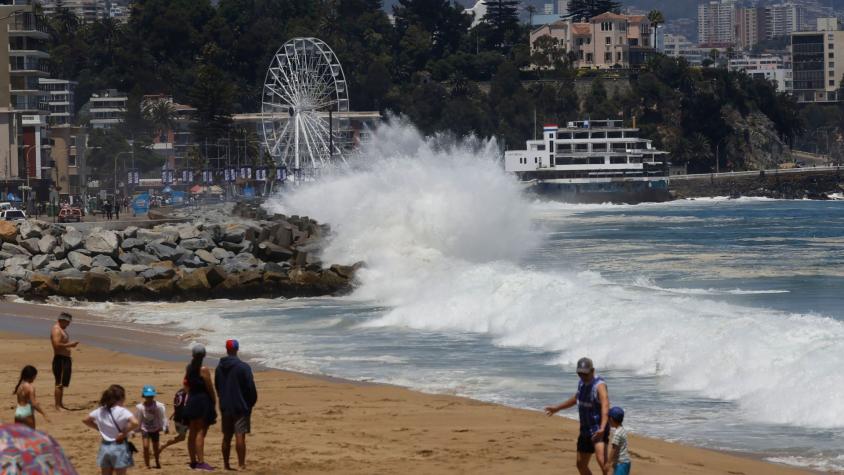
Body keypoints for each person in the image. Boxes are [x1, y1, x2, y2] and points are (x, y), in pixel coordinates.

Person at [545, 357, 611, 475]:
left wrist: (602, 427)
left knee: (602, 462)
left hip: (598, 430)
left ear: (592, 371)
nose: (582, 376)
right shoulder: (581, 383)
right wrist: (557, 408)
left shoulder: (599, 385)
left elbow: (605, 404)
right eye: (579, 374)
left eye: (585, 374)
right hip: (585, 429)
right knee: (581, 464)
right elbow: (576, 398)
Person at [215, 339, 258, 470]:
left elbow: (217, 386)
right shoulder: (243, 367)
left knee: (227, 436)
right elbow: (251, 388)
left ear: (226, 349)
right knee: (240, 435)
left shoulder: (219, 367)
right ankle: (241, 464)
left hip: (226, 405)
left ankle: (226, 464)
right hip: (240, 406)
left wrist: (222, 399)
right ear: (237, 349)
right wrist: (250, 403)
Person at [83, 384, 139, 475]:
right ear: (121, 398)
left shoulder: (100, 410)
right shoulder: (122, 411)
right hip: (119, 446)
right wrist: (124, 433)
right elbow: (135, 423)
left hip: (105, 447)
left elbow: (85, 420)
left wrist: (99, 428)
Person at [183, 344, 217, 471]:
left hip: (192, 399)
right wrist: (214, 400)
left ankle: (193, 461)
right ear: (204, 355)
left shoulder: (189, 368)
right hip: (202, 400)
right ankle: (201, 462)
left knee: (192, 431)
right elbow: (209, 387)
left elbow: (186, 385)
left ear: (192, 355)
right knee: (200, 432)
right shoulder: (204, 369)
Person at [134, 385, 167, 469]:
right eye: (147, 396)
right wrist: (135, 429)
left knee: (155, 448)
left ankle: (157, 461)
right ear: (144, 396)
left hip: (155, 429)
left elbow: (162, 417)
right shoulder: (140, 407)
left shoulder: (159, 406)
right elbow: (138, 418)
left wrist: (165, 426)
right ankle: (147, 464)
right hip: (145, 429)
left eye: (151, 396)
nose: (149, 398)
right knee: (145, 447)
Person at [51, 312, 79, 410]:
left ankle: (60, 404)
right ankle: (58, 406)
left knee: (62, 383)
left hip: (64, 359)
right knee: (59, 383)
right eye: (68, 322)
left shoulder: (61, 330)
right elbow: (56, 345)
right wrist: (70, 345)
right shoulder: (56, 330)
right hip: (60, 359)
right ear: (63, 320)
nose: (69, 324)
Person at [157, 383, 189, 456]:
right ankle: (163, 445)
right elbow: (185, 406)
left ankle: (163, 445)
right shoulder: (189, 394)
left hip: (177, 419)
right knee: (185, 437)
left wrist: (172, 415)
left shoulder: (179, 392)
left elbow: (178, 406)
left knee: (182, 437)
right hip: (183, 419)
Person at [608, 407, 630, 475]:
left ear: (611, 419)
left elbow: (614, 449)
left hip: (621, 463)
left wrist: (608, 462)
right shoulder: (622, 429)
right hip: (625, 462)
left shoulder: (617, 433)